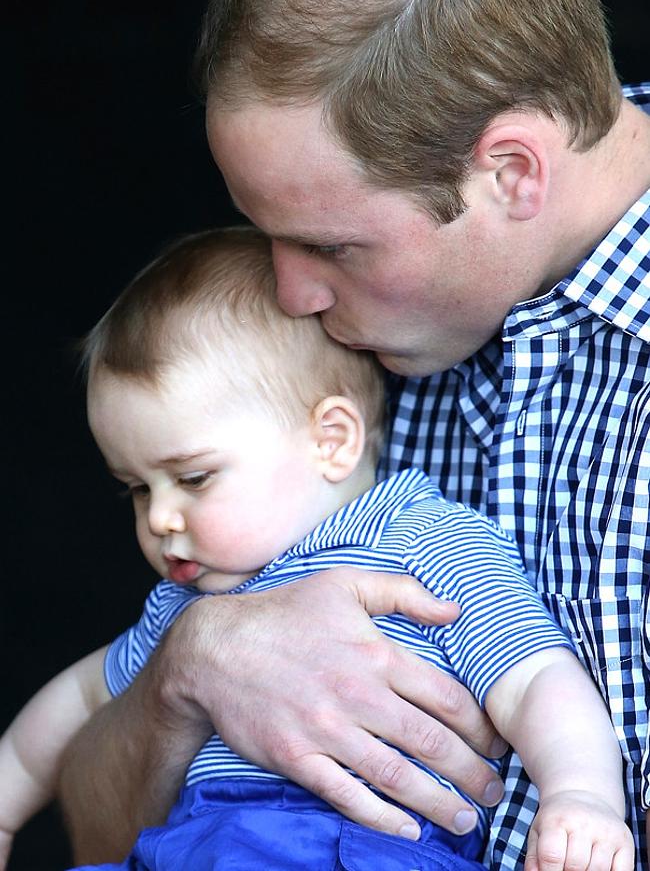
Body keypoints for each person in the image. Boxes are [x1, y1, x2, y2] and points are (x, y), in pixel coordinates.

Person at [56, 0, 650, 868]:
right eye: (269, 239)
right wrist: (190, 667)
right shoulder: (311, 359)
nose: (290, 298)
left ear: (508, 172)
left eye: (331, 247)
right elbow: (94, 832)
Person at [0, 227, 634, 871]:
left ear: (331, 440)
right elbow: (80, 700)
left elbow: (534, 678)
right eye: (137, 489)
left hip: (354, 842)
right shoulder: (192, 605)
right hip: (197, 842)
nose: (161, 518)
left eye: (193, 478)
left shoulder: (418, 540)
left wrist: (581, 795)